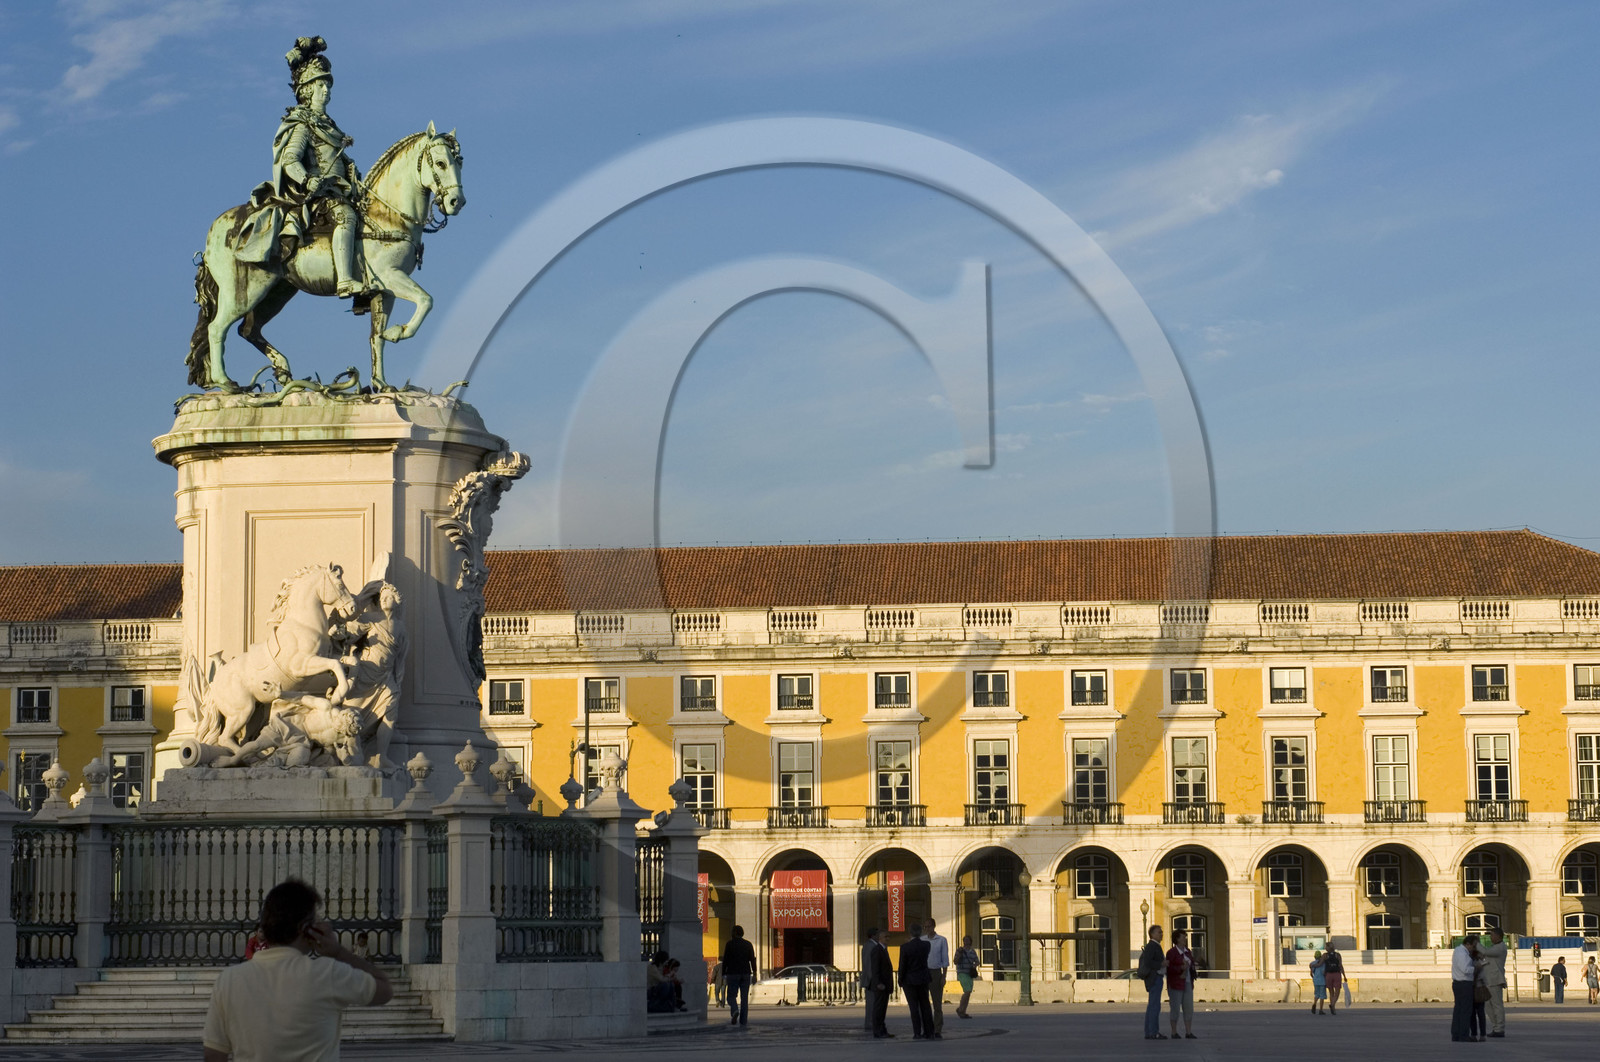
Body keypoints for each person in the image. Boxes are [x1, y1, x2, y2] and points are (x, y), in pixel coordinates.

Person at [235, 37, 375, 298]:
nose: (327, 91)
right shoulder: (301, 123)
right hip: (319, 193)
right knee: (346, 216)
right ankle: (345, 281)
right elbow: (290, 160)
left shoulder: (330, 126)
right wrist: (309, 180)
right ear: (308, 90)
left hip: (340, 189)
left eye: (328, 85)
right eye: (321, 85)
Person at [202, 879, 392, 1061]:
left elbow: (214, 1055)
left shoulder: (228, 981)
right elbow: (384, 989)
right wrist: (338, 951)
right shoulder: (327, 973)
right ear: (307, 929)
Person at [898, 922, 935, 1040]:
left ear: (910, 933)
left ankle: (917, 1032)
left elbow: (902, 965)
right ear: (921, 932)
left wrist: (900, 979)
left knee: (913, 1007)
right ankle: (929, 1032)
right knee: (925, 1006)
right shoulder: (926, 945)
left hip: (909, 980)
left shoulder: (905, 947)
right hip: (923, 978)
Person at [861, 927, 894, 1038]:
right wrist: (876, 981)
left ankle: (880, 1028)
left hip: (877, 982)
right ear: (875, 936)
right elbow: (870, 966)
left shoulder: (879, 947)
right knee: (875, 1006)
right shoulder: (871, 947)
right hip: (873, 983)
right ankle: (873, 1027)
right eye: (884, 936)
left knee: (879, 1007)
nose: (887, 938)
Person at [1135, 925, 1167, 1039]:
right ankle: (1153, 1032)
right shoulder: (1152, 946)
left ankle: (1149, 1032)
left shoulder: (1155, 946)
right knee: (1155, 1006)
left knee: (1152, 1006)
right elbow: (1148, 962)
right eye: (1159, 932)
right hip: (1155, 978)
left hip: (1155, 978)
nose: (1161, 934)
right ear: (1152, 934)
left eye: (1161, 932)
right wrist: (1161, 964)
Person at [1165, 928, 1197, 1040]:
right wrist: (1180, 968)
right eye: (1183, 937)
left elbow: (1192, 963)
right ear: (1177, 939)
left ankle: (1188, 1031)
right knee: (1175, 1008)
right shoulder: (1171, 953)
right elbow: (1169, 968)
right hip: (1175, 984)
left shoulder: (1188, 951)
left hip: (1188, 982)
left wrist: (1192, 969)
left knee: (1188, 1007)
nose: (1185, 939)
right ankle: (1174, 1032)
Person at [721, 926, 756, 1027]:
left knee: (731, 996)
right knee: (744, 999)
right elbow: (752, 959)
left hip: (733, 973)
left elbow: (726, 960)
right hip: (745, 973)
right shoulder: (748, 944)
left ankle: (735, 1010)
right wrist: (755, 973)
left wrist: (723, 973)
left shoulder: (730, 944)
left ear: (735, 933)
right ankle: (743, 1021)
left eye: (732, 931)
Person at [923, 917, 950, 1035]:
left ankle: (937, 1028)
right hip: (924, 972)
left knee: (937, 1003)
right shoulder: (922, 939)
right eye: (925, 927)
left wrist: (944, 976)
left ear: (934, 927)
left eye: (929, 926)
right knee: (924, 1002)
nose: (927, 929)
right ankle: (927, 1028)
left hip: (935, 972)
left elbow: (945, 959)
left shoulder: (941, 940)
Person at [1480, 927, 1507, 1037]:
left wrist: (1476, 943)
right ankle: (1496, 1026)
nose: (1491, 937)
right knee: (1488, 1005)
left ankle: (1499, 1028)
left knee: (1497, 1005)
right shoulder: (1495, 947)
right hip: (1489, 980)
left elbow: (1485, 952)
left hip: (1495, 980)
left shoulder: (1500, 947)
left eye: (1492, 935)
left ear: (1498, 936)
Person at [1449, 935, 1476, 1042]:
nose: (1473, 949)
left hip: (1458, 983)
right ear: (1468, 944)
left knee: (1458, 1010)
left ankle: (1456, 1034)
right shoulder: (1462, 953)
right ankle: (1463, 1034)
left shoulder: (1458, 951)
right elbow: (1465, 969)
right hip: (1464, 983)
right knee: (1465, 1011)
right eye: (1473, 946)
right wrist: (1476, 967)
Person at [953, 935, 979, 1019]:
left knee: (968, 993)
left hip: (969, 973)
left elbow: (977, 961)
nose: (966, 942)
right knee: (967, 991)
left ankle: (963, 1010)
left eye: (968, 940)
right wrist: (959, 954)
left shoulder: (973, 951)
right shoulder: (960, 950)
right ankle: (960, 1009)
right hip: (962, 973)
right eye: (965, 940)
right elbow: (955, 961)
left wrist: (974, 966)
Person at [1321, 944, 1344, 1016]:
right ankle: (1332, 1004)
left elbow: (1320, 964)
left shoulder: (1325, 955)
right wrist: (1344, 975)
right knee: (1337, 992)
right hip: (1337, 974)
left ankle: (1333, 1008)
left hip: (1328, 975)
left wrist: (1313, 965)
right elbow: (1340, 965)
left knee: (1331, 992)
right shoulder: (1338, 955)